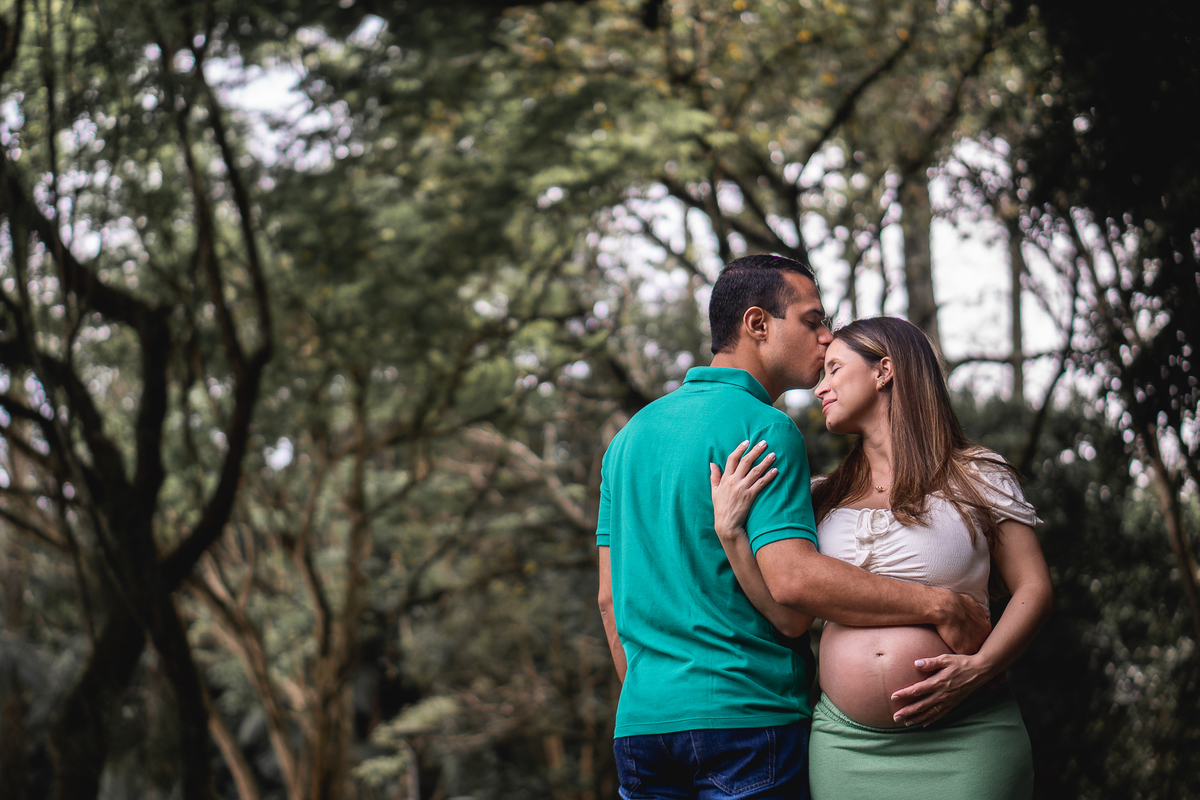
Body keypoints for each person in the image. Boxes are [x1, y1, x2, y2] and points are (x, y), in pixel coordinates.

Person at [597, 257, 992, 800]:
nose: (826, 337)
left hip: (642, 728)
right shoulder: (764, 427)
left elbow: (608, 601)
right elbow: (795, 586)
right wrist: (939, 605)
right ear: (757, 324)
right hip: (747, 721)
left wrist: (654, 705)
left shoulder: (626, 441)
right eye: (812, 321)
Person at [710, 316, 1054, 800]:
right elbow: (788, 613)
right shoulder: (820, 497)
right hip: (846, 747)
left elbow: (1034, 588)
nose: (820, 387)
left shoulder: (978, 474)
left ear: (884, 371)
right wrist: (731, 534)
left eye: (834, 369)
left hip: (967, 735)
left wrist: (980, 668)